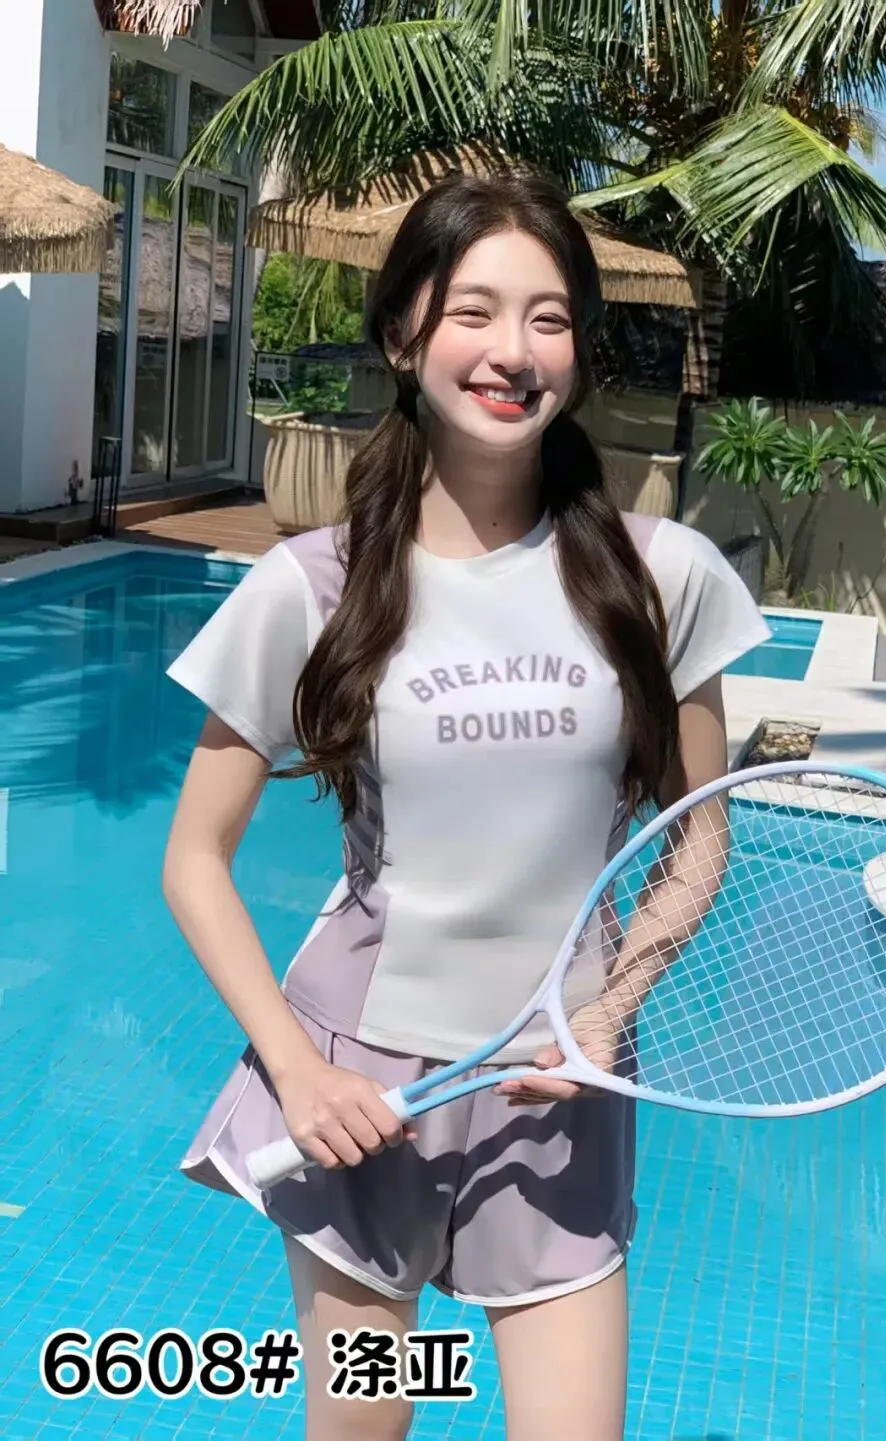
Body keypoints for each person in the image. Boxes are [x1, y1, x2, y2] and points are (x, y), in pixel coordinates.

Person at [161, 165, 770, 1441]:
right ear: (403, 336)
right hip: (358, 1094)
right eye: (473, 311)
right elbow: (195, 860)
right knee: (362, 1428)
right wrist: (299, 1074)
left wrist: (608, 1014)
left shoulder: (664, 577)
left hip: (562, 1084)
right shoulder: (311, 586)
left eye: (549, 319)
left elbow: (699, 837)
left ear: (579, 352)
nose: (512, 351)